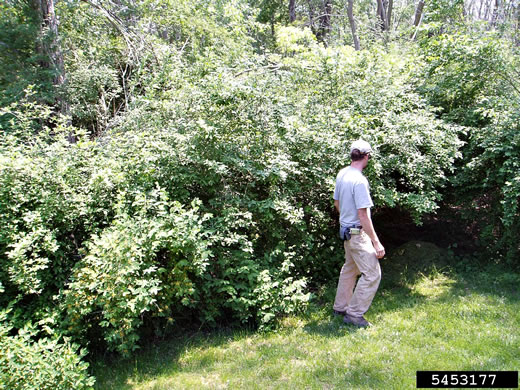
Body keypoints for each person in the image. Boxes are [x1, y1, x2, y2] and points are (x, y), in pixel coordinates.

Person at [332, 140, 385, 327]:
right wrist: (376, 242)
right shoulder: (360, 180)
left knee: (350, 269)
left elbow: (337, 203)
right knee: (372, 274)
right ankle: (354, 314)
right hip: (357, 234)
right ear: (366, 156)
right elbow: (363, 214)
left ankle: (340, 307)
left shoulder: (342, 174)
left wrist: (346, 220)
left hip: (346, 232)